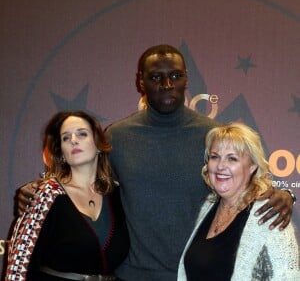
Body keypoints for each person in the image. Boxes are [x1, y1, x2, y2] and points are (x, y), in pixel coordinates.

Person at [16, 45, 295, 281]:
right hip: (130, 276)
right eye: (156, 77)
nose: (167, 85)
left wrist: (285, 194)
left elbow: (245, 184)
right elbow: (83, 179)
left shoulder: (212, 136)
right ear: (141, 82)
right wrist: (40, 190)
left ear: (187, 79)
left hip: (192, 274)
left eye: (175, 76)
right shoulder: (118, 136)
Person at [6, 111, 129, 280]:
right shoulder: (45, 195)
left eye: (82, 134)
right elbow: (18, 268)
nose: (73, 140)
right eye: (65, 138)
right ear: (61, 152)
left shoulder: (116, 195)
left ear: (99, 144)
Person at [177, 122, 299, 280]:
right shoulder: (209, 205)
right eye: (215, 157)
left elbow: (288, 276)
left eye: (232, 159)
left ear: (252, 166)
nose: (221, 166)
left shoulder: (269, 212)